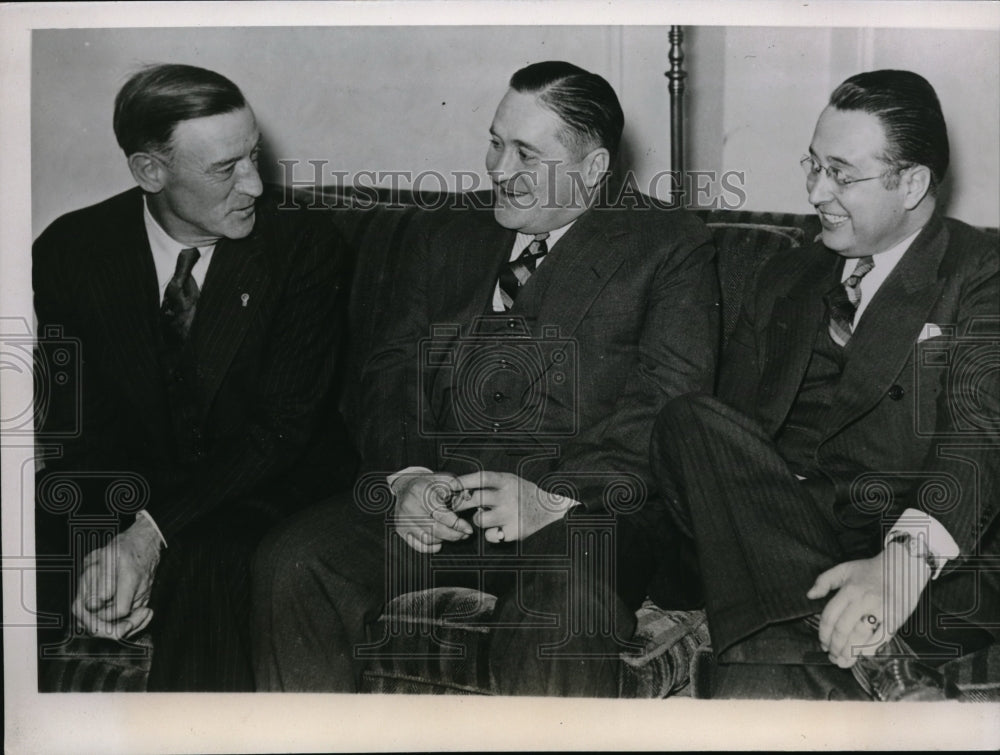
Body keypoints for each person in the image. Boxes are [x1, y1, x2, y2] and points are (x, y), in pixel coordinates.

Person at [252, 61, 719, 695]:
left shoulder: (668, 245)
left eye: (527, 153)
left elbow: (670, 401)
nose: (498, 169)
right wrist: (408, 476)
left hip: (582, 516)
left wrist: (551, 496)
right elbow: (390, 372)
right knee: (295, 562)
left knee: (560, 612)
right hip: (439, 505)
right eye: (496, 142)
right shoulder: (443, 232)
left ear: (592, 169)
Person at [650, 69, 998, 700]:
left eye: (841, 173)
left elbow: (980, 436)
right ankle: (864, 665)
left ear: (913, 182)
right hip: (775, 532)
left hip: (903, 553)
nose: (815, 191)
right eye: (812, 165)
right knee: (689, 419)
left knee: (751, 671)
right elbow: (733, 454)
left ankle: (798, 641)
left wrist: (899, 567)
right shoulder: (784, 275)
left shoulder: (980, 274)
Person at [33, 63, 354, 691]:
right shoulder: (71, 250)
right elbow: (80, 432)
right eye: (224, 168)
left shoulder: (302, 245)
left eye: (254, 156)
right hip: (137, 481)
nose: (256, 186)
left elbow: (279, 431)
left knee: (213, 558)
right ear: (151, 171)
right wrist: (91, 556)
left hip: (266, 482)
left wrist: (149, 536)